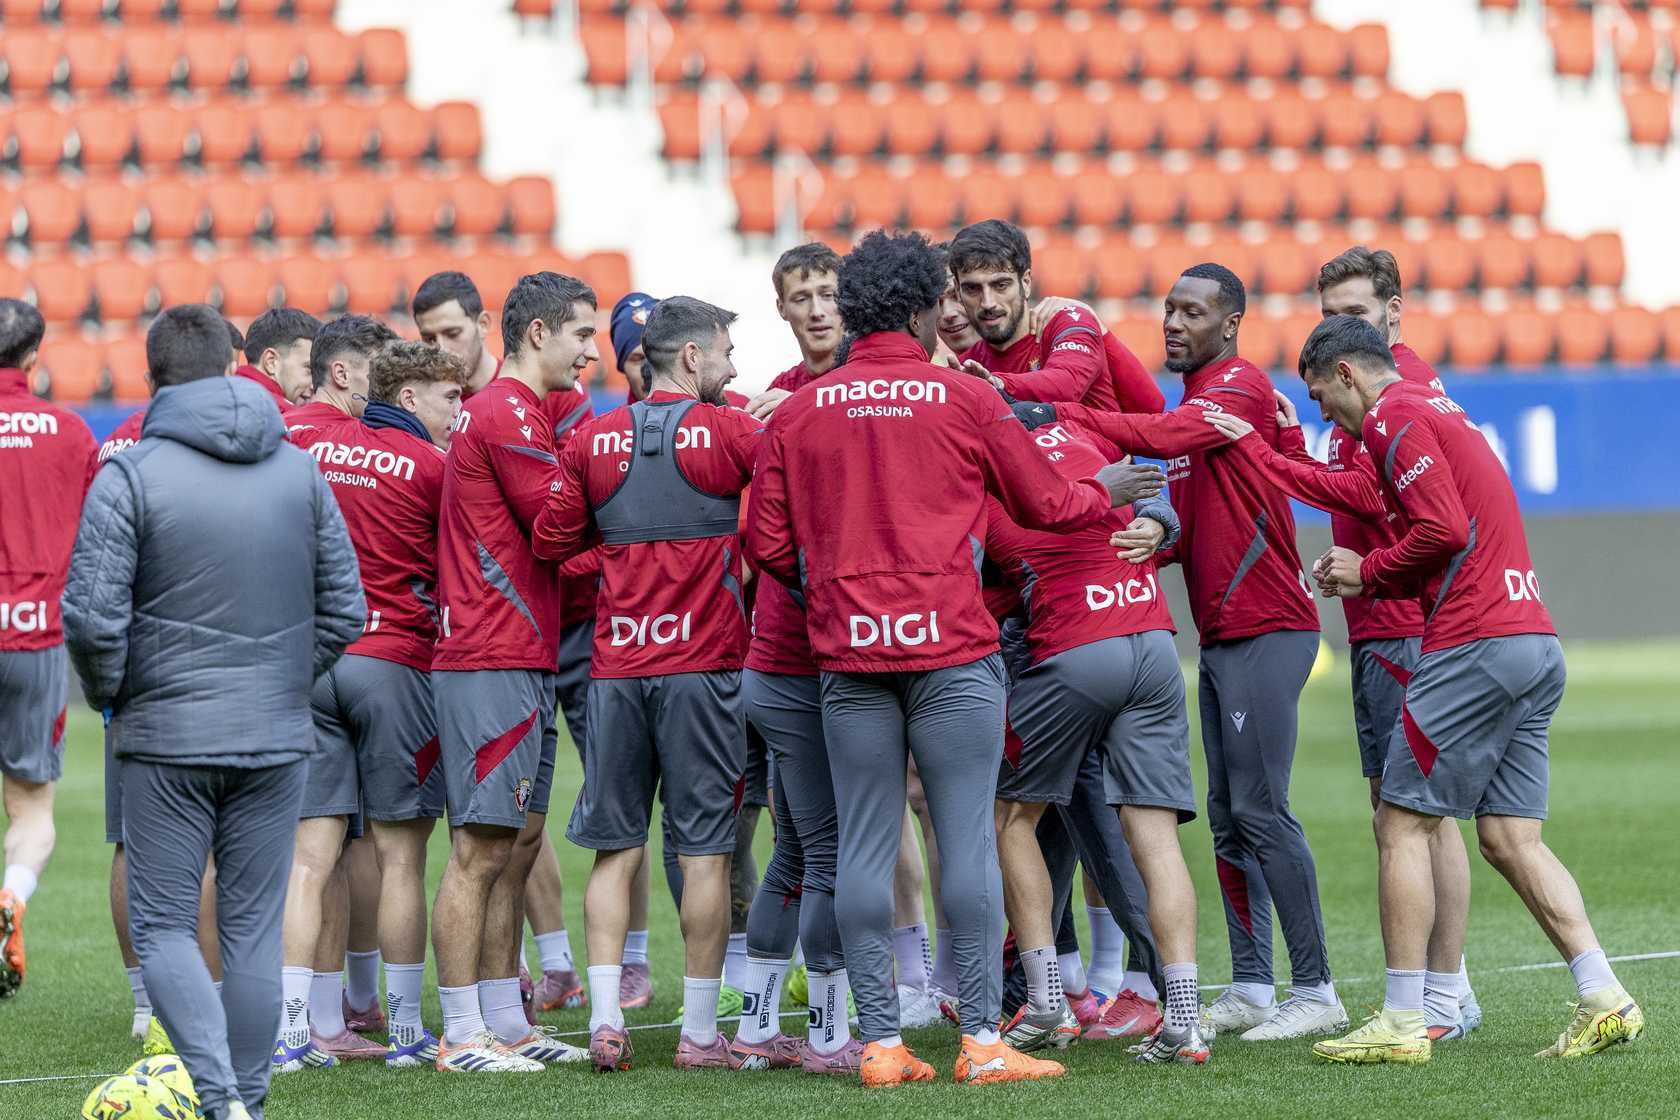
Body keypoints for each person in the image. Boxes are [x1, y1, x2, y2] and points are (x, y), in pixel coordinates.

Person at [745, 230, 1163, 1087]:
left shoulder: (796, 412)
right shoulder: (963, 399)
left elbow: (763, 542)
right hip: (953, 653)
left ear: (853, 309)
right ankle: (979, 1040)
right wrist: (1105, 494)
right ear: (925, 307)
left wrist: (832, 591)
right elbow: (1047, 502)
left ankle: (882, 1046)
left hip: (850, 658)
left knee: (861, 847)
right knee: (966, 843)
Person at [1286, 315, 1645, 1065]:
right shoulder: (1441, 413)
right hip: (1533, 639)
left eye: (1325, 400)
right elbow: (1447, 523)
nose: (1331, 419)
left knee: (1400, 821)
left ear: (1347, 374)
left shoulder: (1394, 415)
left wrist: (1369, 570)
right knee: (1511, 838)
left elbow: (1445, 530)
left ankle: (1403, 1017)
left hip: (1475, 642)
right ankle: (1606, 996)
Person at [63, 303, 365, 1120]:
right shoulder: (298, 469)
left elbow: (90, 618)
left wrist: (118, 696)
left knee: (164, 930)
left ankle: (223, 1099)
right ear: (234, 370)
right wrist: (280, 679)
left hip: (166, 736)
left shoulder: (131, 472)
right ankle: (247, 1106)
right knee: (252, 935)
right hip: (273, 735)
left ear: (154, 376)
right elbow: (347, 608)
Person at [1052, 264, 1344, 1042]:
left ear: (1230, 325)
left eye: (1193, 312)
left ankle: (1316, 987)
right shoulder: (1198, 405)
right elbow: (1192, 519)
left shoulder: (1238, 389)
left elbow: (1163, 436)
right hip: (1223, 635)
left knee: (1260, 809)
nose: (1174, 323)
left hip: (1270, 626)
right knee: (1224, 816)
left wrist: (1067, 411)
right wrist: (1156, 537)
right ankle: (1251, 985)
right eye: (1169, 310)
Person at [1204, 247, 1483, 1044]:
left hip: (1405, 624)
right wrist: (1291, 453)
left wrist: (1267, 456)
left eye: (1355, 313)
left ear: (1394, 311)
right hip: (1377, 623)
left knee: (1420, 816)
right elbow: (1355, 491)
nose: (1340, 328)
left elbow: (1396, 506)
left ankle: (1445, 994)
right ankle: (1443, 992)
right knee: (1405, 811)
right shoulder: (1362, 403)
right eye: (1329, 315)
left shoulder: (1405, 397)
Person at [531, 296, 763, 1073]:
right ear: (691, 357)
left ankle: (604, 1020)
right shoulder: (735, 433)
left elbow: (552, 540)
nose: (732, 368)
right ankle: (700, 1036)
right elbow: (778, 524)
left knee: (614, 851)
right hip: (705, 673)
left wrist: (619, 552)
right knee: (705, 856)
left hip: (619, 671)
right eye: (726, 352)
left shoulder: (592, 439)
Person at [983, 401, 1208, 1063]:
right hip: (1155, 643)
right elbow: (1153, 489)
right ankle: (1186, 1020)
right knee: (1155, 837)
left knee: (1012, 817)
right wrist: (1157, 520)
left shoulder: (993, 474)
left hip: (1077, 648)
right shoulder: (1086, 443)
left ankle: (1047, 996)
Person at [429, 272, 597, 1073]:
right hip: (490, 652)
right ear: (538, 334)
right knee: (479, 849)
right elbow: (558, 526)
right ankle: (462, 1034)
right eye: (581, 335)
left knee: (518, 843)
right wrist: (605, 461)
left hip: (520, 652)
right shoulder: (503, 412)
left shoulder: (520, 410)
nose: (591, 352)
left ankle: (506, 1019)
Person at [96, 317, 246, 1044]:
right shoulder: (234, 442)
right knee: (214, 842)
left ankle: (143, 1001)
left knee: (134, 838)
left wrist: (107, 679)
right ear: (224, 366)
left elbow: (93, 573)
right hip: (220, 669)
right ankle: (210, 998)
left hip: (133, 671)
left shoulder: (117, 444)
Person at [273, 315, 410, 1072]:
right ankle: (413, 1022)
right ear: (344, 374)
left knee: (312, 855)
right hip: (382, 654)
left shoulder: (281, 438)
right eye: (379, 373)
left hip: (293, 659)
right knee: (396, 850)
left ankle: (307, 1027)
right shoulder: (398, 452)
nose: (389, 389)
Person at [0, 299, 98, 1000]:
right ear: (36, 357)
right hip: (36, 638)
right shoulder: (69, 434)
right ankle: (9, 899)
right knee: (32, 809)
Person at [948, 219, 1165, 414]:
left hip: (1106, 460)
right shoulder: (968, 367)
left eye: (1001, 285)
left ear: (1026, 282)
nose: (988, 303)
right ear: (958, 291)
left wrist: (995, 383)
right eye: (972, 289)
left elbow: (1066, 384)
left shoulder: (1065, 322)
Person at [414, 271, 500, 396]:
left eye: (452, 334)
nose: (441, 349)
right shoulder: (421, 402)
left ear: (483, 324)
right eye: (429, 339)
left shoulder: (524, 393)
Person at [242, 308, 322, 408]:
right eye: (309, 370)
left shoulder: (227, 393)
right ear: (271, 362)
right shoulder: (276, 415)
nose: (314, 386)